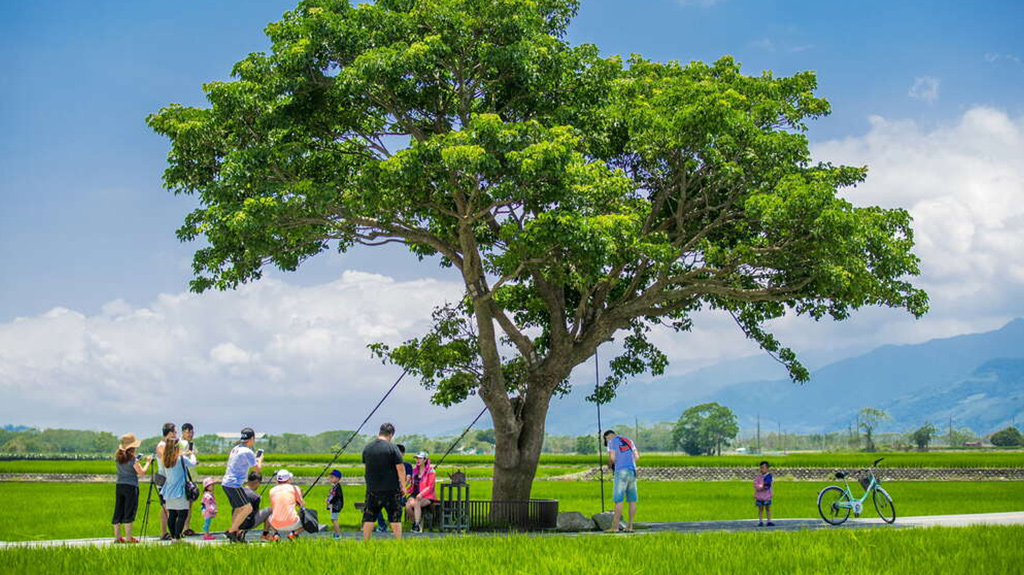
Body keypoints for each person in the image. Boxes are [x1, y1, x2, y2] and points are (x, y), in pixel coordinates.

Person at [360, 423, 408, 541]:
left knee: (369, 516)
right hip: (391, 488)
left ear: (380, 432)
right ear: (391, 435)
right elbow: (400, 468)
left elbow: (366, 468)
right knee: (395, 517)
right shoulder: (392, 448)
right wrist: (403, 486)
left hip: (372, 488)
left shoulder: (368, 448)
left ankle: (366, 541)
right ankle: (398, 542)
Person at [221, 427, 264, 543]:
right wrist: (260, 459)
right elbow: (257, 469)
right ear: (251, 439)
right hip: (234, 484)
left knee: (239, 508)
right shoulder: (247, 451)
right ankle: (231, 531)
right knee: (247, 508)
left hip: (226, 483)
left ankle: (235, 532)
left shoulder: (236, 448)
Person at [112, 433, 153, 543]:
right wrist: (148, 462)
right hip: (130, 487)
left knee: (118, 510)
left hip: (119, 485)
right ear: (132, 447)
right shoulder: (133, 459)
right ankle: (129, 537)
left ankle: (117, 537)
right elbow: (141, 472)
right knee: (129, 510)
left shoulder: (118, 457)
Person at [159, 439, 197, 541]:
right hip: (180, 490)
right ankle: (177, 537)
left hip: (169, 490)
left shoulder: (165, 459)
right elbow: (193, 463)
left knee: (172, 514)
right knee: (183, 513)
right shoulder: (181, 459)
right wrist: (192, 454)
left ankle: (173, 537)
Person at [604, 429, 639, 533]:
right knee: (632, 500)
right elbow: (636, 457)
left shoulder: (611, 442)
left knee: (618, 499)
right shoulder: (629, 440)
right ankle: (630, 526)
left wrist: (611, 465)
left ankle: (615, 528)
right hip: (632, 471)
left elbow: (613, 458)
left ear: (607, 437)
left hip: (621, 471)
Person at [375, 444, 412, 533]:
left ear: (402, 454)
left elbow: (408, 479)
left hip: (400, 493)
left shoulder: (407, 466)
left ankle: (396, 527)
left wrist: (401, 487)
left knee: (396, 505)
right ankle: (382, 525)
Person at [267, 469, 306, 540]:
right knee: (308, 519)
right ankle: (294, 534)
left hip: (276, 525)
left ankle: (275, 534)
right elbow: (302, 505)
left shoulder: (272, 490)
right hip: (293, 523)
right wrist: (300, 496)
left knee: (270, 516)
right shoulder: (294, 488)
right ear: (289, 479)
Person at [154, 422, 176, 540]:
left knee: (170, 506)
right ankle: (163, 532)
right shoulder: (161, 445)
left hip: (169, 478)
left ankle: (170, 531)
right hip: (163, 478)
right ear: (170, 432)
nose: (176, 435)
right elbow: (165, 461)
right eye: (175, 432)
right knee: (165, 506)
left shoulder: (168, 444)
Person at [405, 451, 437, 533]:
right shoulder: (414, 471)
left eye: (420, 458)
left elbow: (430, 486)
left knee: (417, 502)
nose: (417, 460)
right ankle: (416, 524)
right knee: (408, 506)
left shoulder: (431, 471)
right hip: (415, 494)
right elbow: (412, 486)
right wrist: (405, 491)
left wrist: (421, 494)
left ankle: (416, 525)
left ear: (425, 460)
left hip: (427, 496)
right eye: (416, 458)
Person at [180, 422, 198, 536]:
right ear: (183, 432)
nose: (190, 434)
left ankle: (186, 527)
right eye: (188, 432)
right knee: (185, 505)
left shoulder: (191, 444)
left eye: (192, 432)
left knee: (189, 504)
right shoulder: (181, 443)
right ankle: (183, 528)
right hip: (186, 477)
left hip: (191, 476)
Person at [755, 460, 774, 527]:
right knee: (760, 509)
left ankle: (769, 521)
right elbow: (755, 485)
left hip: (767, 496)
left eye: (763, 468)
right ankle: (760, 521)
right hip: (759, 496)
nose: (761, 469)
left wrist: (762, 486)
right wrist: (760, 487)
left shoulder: (769, 476)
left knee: (768, 508)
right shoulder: (758, 477)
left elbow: (769, 485)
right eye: (761, 468)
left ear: (767, 468)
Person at [326, 469, 344, 539]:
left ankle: (337, 534)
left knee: (334, 519)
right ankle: (336, 532)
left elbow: (336, 496)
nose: (330, 479)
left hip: (335, 505)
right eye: (330, 477)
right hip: (333, 505)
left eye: (332, 477)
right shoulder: (334, 486)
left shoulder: (337, 487)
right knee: (333, 519)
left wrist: (330, 501)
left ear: (338, 479)